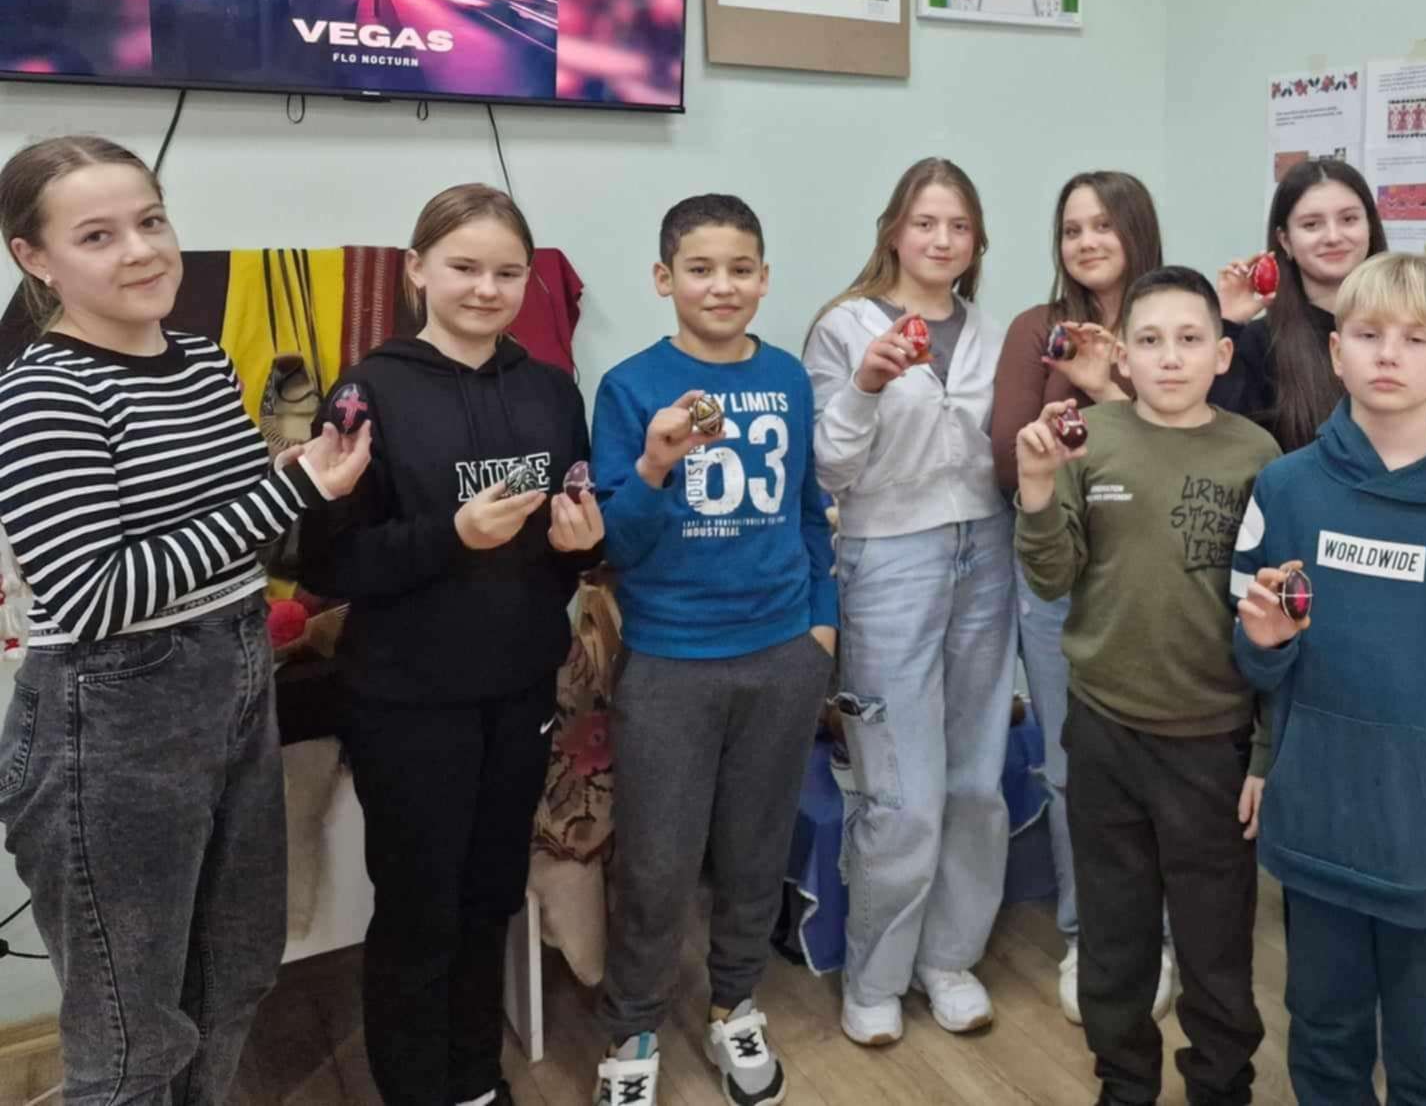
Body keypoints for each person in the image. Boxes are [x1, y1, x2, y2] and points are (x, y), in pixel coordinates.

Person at [0, 135, 371, 1105]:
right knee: (131, 1039)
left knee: (235, 972)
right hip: (110, 721)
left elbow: (234, 528)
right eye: (97, 235)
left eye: (151, 221)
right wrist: (284, 496)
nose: (141, 251)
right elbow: (92, 593)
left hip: (235, 681)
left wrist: (301, 474)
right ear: (35, 258)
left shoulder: (200, 359)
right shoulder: (44, 392)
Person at [299, 185, 602, 1106]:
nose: (485, 289)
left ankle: (475, 1081)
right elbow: (329, 562)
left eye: (507, 273)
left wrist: (583, 546)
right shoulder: (369, 392)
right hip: (407, 699)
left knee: (491, 897)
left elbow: (568, 547)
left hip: (520, 690)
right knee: (419, 908)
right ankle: (415, 1090)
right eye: (464, 267)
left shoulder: (550, 390)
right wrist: (450, 536)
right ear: (417, 270)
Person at [1234, 251, 1426, 1106]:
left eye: (1416, 338)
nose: (1388, 354)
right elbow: (1256, 657)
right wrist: (1264, 644)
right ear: (1335, 351)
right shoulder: (1285, 490)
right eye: (1369, 334)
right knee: (1323, 1044)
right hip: (1317, 841)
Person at [592, 194, 837, 1106]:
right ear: (665, 280)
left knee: (753, 852)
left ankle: (736, 1004)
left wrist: (822, 623)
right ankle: (632, 1029)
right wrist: (656, 465)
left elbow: (809, 510)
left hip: (782, 655)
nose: (721, 286)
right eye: (700, 269)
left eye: (740, 269)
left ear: (764, 279)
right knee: (657, 864)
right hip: (669, 663)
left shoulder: (789, 378)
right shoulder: (629, 386)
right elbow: (617, 545)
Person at [1016, 266, 1278, 1106]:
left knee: (1214, 944)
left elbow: (1277, 619)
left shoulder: (1256, 455)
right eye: (1151, 341)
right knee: (1115, 935)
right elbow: (1052, 576)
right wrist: (1035, 490)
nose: (1171, 358)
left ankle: (1221, 1085)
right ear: (1121, 356)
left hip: (1212, 740)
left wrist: (1265, 750)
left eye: (1190, 339)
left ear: (1222, 354)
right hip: (1105, 731)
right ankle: (1124, 1082)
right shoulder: (1089, 437)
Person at [803, 157, 1014, 1047]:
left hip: (988, 552)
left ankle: (949, 959)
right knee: (900, 787)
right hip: (887, 557)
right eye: (925, 222)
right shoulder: (844, 326)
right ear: (894, 229)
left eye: (958, 226)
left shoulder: (995, 333)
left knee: (976, 778)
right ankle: (876, 974)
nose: (941, 239)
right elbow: (827, 470)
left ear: (977, 242)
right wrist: (867, 385)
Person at [990, 170, 1166, 1024]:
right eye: (1071, 229)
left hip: (1158, 580)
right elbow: (1006, 460)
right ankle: (1086, 933)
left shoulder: (1172, 320)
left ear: (1137, 229)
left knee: (1159, 765)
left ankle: (1156, 938)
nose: (1086, 241)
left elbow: (1182, 449)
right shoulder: (1038, 329)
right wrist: (1077, 383)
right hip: (1058, 574)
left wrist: (1104, 388)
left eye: (1103, 224)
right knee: (1069, 767)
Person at [1213, 157, 1426, 453]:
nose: (1333, 237)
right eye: (1311, 225)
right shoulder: (1261, 342)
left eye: (1349, 219)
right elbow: (1223, 445)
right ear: (1285, 240)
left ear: (1370, 226)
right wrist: (1225, 325)